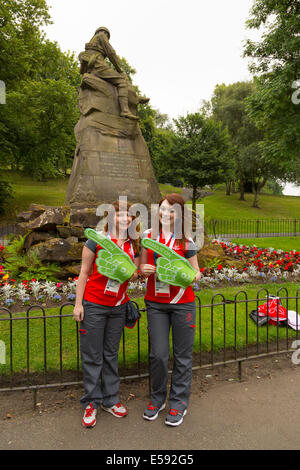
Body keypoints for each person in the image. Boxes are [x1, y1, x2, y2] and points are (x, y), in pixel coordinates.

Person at [73, 200, 140, 428]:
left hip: (118, 306)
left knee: (110, 354)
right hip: (94, 304)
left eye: (128, 215)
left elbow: (135, 274)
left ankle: (110, 399)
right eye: (120, 214)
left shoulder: (134, 244)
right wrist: (78, 304)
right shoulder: (97, 240)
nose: (125, 219)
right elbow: (83, 273)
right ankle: (91, 401)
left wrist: (135, 275)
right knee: (93, 354)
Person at [140, 193, 200, 427]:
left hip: (182, 303)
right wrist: (143, 269)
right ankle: (157, 399)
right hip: (156, 303)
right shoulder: (148, 237)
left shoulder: (187, 240)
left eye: (171, 210)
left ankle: (178, 403)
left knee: (183, 357)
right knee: (158, 354)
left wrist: (187, 274)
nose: (165, 214)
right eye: (163, 209)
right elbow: (142, 268)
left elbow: (197, 273)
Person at [78, 26, 141, 120]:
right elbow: (111, 53)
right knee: (121, 80)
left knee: (118, 76)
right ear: (105, 33)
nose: (107, 37)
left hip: (94, 66)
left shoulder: (92, 43)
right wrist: (119, 68)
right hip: (97, 65)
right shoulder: (101, 36)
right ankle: (125, 110)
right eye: (107, 36)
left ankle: (134, 96)